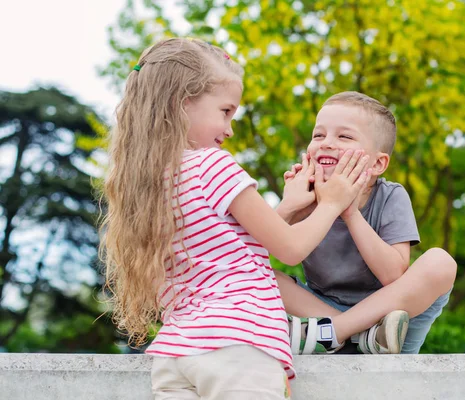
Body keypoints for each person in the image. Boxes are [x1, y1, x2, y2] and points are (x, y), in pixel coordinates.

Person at [98, 38, 375, 400]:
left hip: (175, 355)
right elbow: (290, 249)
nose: (229, 128)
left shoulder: (148, 183)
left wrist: (288, 208)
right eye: (225, 111)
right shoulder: (213, 165)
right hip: (239, 346)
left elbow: (230, 249)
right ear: (183, 104)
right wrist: (332, 203)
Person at [275, 91, 458, 355]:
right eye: (318, 135)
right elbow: (250, 252)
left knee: (441, 262)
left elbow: (393, 275)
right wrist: (288, 207)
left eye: (344, 136)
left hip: (390, 325)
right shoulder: (305, 194)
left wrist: (349, 213)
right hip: (322, 311)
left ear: (378, 163)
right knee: (255, 273)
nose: (326, 143)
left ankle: (341, 332)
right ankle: (355, 336)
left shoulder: (390, 196)